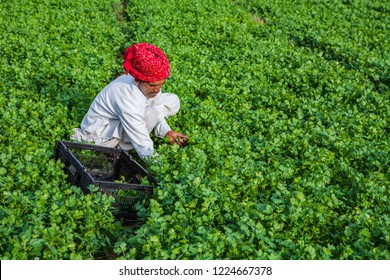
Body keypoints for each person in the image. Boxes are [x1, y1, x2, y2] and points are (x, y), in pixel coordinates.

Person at [71, 42, 188, 160]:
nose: (157, 89)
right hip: (102, 136)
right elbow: (142, 142)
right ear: (138, 81)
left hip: (123, 118)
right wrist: (159, 165)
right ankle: (121, 150)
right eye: (152, 85)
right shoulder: (127, 98)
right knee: (150, 114)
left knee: (172, 100)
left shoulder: (148, 83)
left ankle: (136, 133)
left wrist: (167, 132)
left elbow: (157, 109)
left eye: (161, 84)